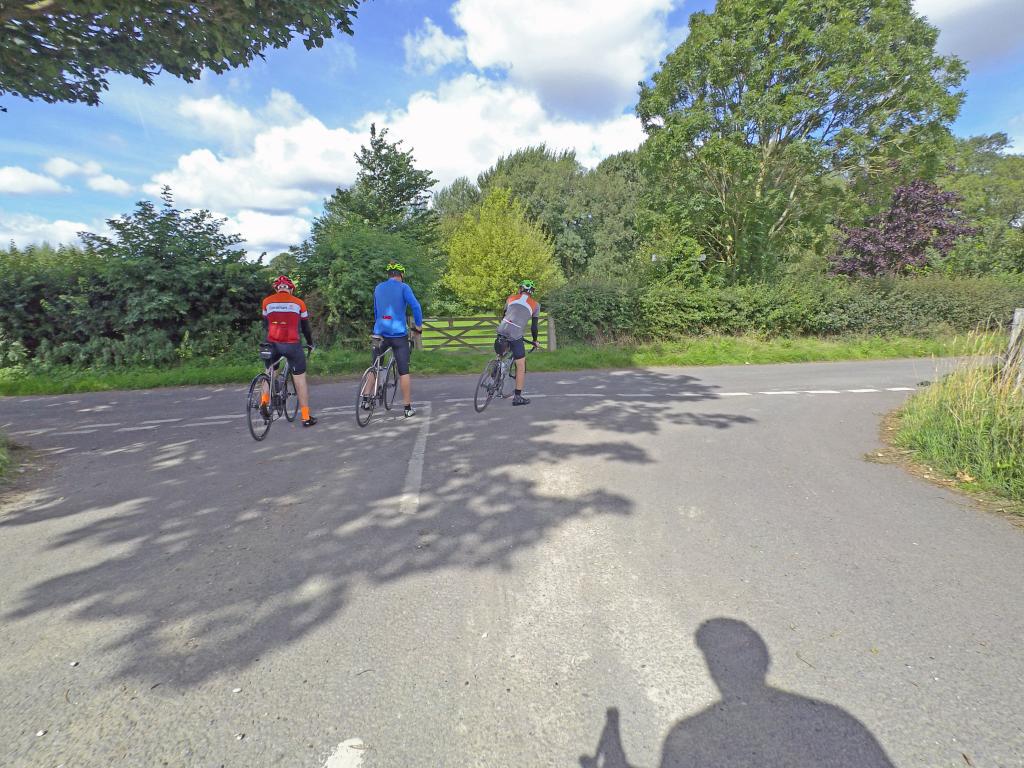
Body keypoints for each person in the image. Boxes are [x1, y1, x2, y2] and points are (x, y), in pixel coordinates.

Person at [363, 261, 423, 418]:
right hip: (398, 335)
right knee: (404, 372)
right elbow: (416, 307)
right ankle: (407, 408)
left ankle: (366, 399)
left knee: (375, 365)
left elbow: (376, 310)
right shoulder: (404, 287)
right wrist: (418, 327)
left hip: (379, 333)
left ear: (388, 275)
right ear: (401, 275)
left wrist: (379, 325)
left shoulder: (378, 288)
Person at [261, 275, 317, 427]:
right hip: (292, 345)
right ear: (291, 289)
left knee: (269, 372)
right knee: (300, 380)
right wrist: (310, 343)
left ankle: (264, 402)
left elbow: (265, 325)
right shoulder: (299, 303)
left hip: (272, 344)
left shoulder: (266, 302)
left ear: (277, 289)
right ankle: (305, 417)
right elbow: (306, 328)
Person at [495, 279, 540, 406]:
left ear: (521, 289)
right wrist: (535, 340)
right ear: (532, 292)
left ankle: (496, 368)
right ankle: (517, 397)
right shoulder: (536, 305)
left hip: (502, 328)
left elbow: (504, 315)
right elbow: (534, 327)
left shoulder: (510, 298)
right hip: (515, 333)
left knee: (501, 351)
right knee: (520, 364)